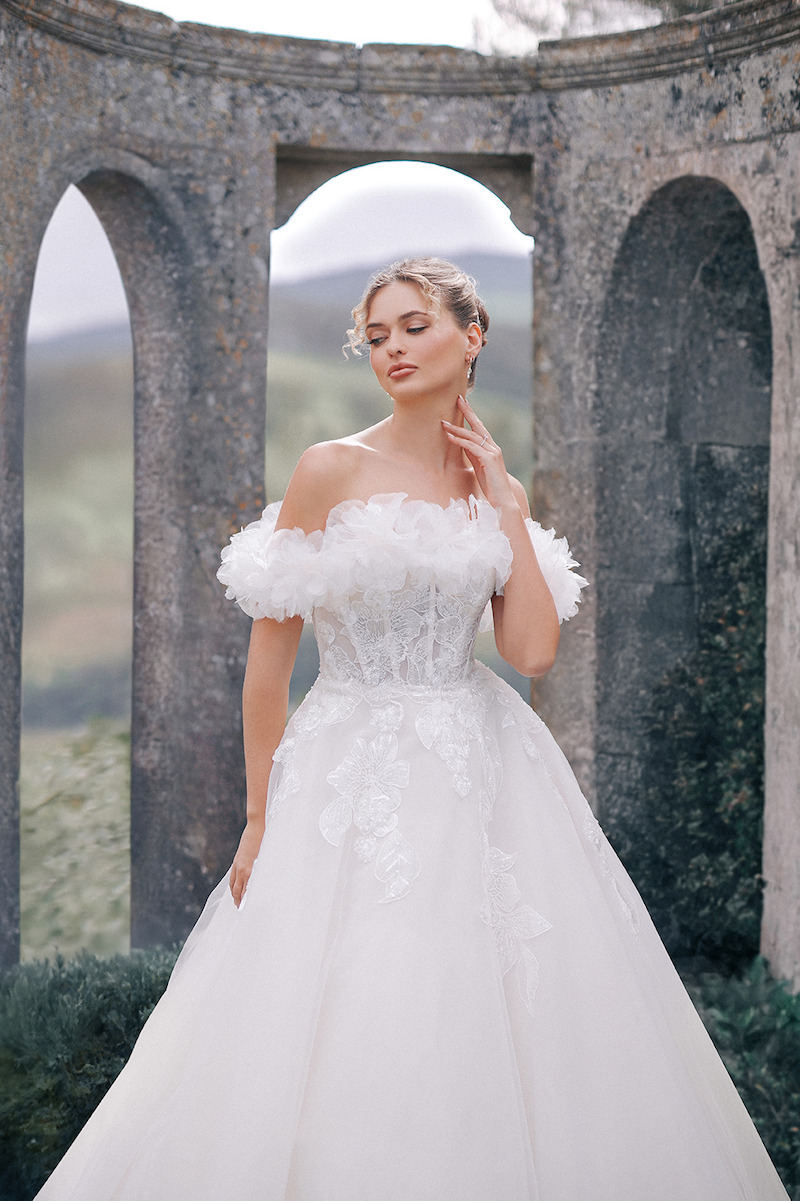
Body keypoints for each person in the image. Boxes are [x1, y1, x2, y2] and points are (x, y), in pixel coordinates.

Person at [35, 257, 789, 1200]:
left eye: (413, 326)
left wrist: (506, 504)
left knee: (492, 1002)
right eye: (377, 334)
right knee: (354, 994)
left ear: (472, 336)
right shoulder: (330, 469)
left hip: (485, 771)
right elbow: (268, 667)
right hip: (349, 768)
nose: (391, 347)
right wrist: (260, 815)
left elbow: (532, 651)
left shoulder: (492, 489)